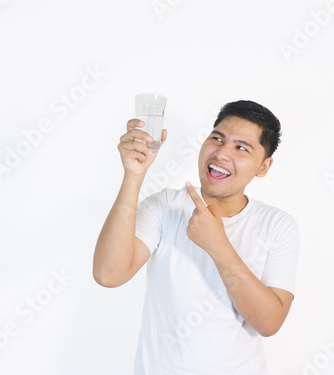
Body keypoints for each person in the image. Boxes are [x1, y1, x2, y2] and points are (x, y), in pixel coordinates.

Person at [93, 100, 300, 374]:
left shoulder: (278, 225)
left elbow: (269, 322)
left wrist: (218, 245)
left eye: (241, 147)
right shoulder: (165, 206)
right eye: (217, 138)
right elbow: (109, 274)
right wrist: (134, 176)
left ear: (264, 166)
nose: (222, 153)